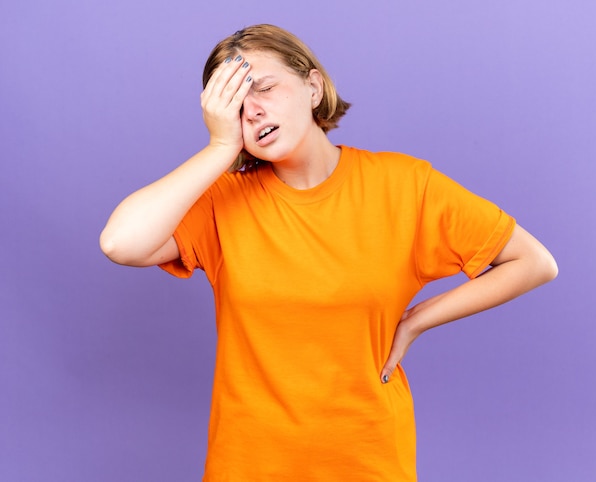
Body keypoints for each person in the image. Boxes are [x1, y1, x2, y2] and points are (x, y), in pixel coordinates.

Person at [100, 24, 558, 482]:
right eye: (236, 105)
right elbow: (121, 243)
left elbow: (534, 262)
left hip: (369, 458)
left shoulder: (405, 187)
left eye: (263, 86)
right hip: (249, 464)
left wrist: (418, 319)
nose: (253, 109)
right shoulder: (223, 202)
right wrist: (221, 146)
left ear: (313, 86)